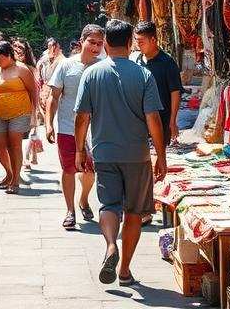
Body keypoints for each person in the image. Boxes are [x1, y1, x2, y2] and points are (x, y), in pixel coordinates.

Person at [74, 19, 166, 287]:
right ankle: (124, 271)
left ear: (105, 44)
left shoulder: (91, 74)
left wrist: (80, 149)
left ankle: (111, 245)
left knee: (108, 205)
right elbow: (154, 119)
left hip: (104, 153)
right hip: (136, 155)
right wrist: (161, 154)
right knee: (135, 212)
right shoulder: (143, 75)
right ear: (129, 44)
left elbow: (81, 117)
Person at [46, 24, 103, 229]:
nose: (96, 47)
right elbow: (53, 97)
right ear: (82, 41)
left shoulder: (103, 66)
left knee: (90, 171)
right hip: (68, 127)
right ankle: (70, 211)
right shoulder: (66, 66)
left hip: (94, 130)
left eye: (99, 43)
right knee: (68, 169)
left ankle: (84, 199)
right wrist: (48, 124)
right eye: (92, 42)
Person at [0, 40, 35, 194]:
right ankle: (9, 173)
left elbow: (33, 91)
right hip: (1, 113)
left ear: (9, 55)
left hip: (20, 112)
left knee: (14, 144)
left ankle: (15, 181)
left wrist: (35, 113)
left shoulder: (22, 69)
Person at [133, 21, 184, 147]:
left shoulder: (167, 63)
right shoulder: (137, 61)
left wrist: (172, 122)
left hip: (161, 121)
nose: (138, 45)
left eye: (141, 42)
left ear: (153, 40)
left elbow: (175, 93)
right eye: (136, 41)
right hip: (140, 121)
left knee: (159, 157)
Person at [13, 38, 41, 170]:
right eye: (15, 47)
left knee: (25, 135)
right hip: (9, 107)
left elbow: (36, 91)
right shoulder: (7, 68)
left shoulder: (32, 69)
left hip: (27, 107)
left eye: (21, 48)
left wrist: (36, 110)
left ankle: (24, 159)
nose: (17, 50)